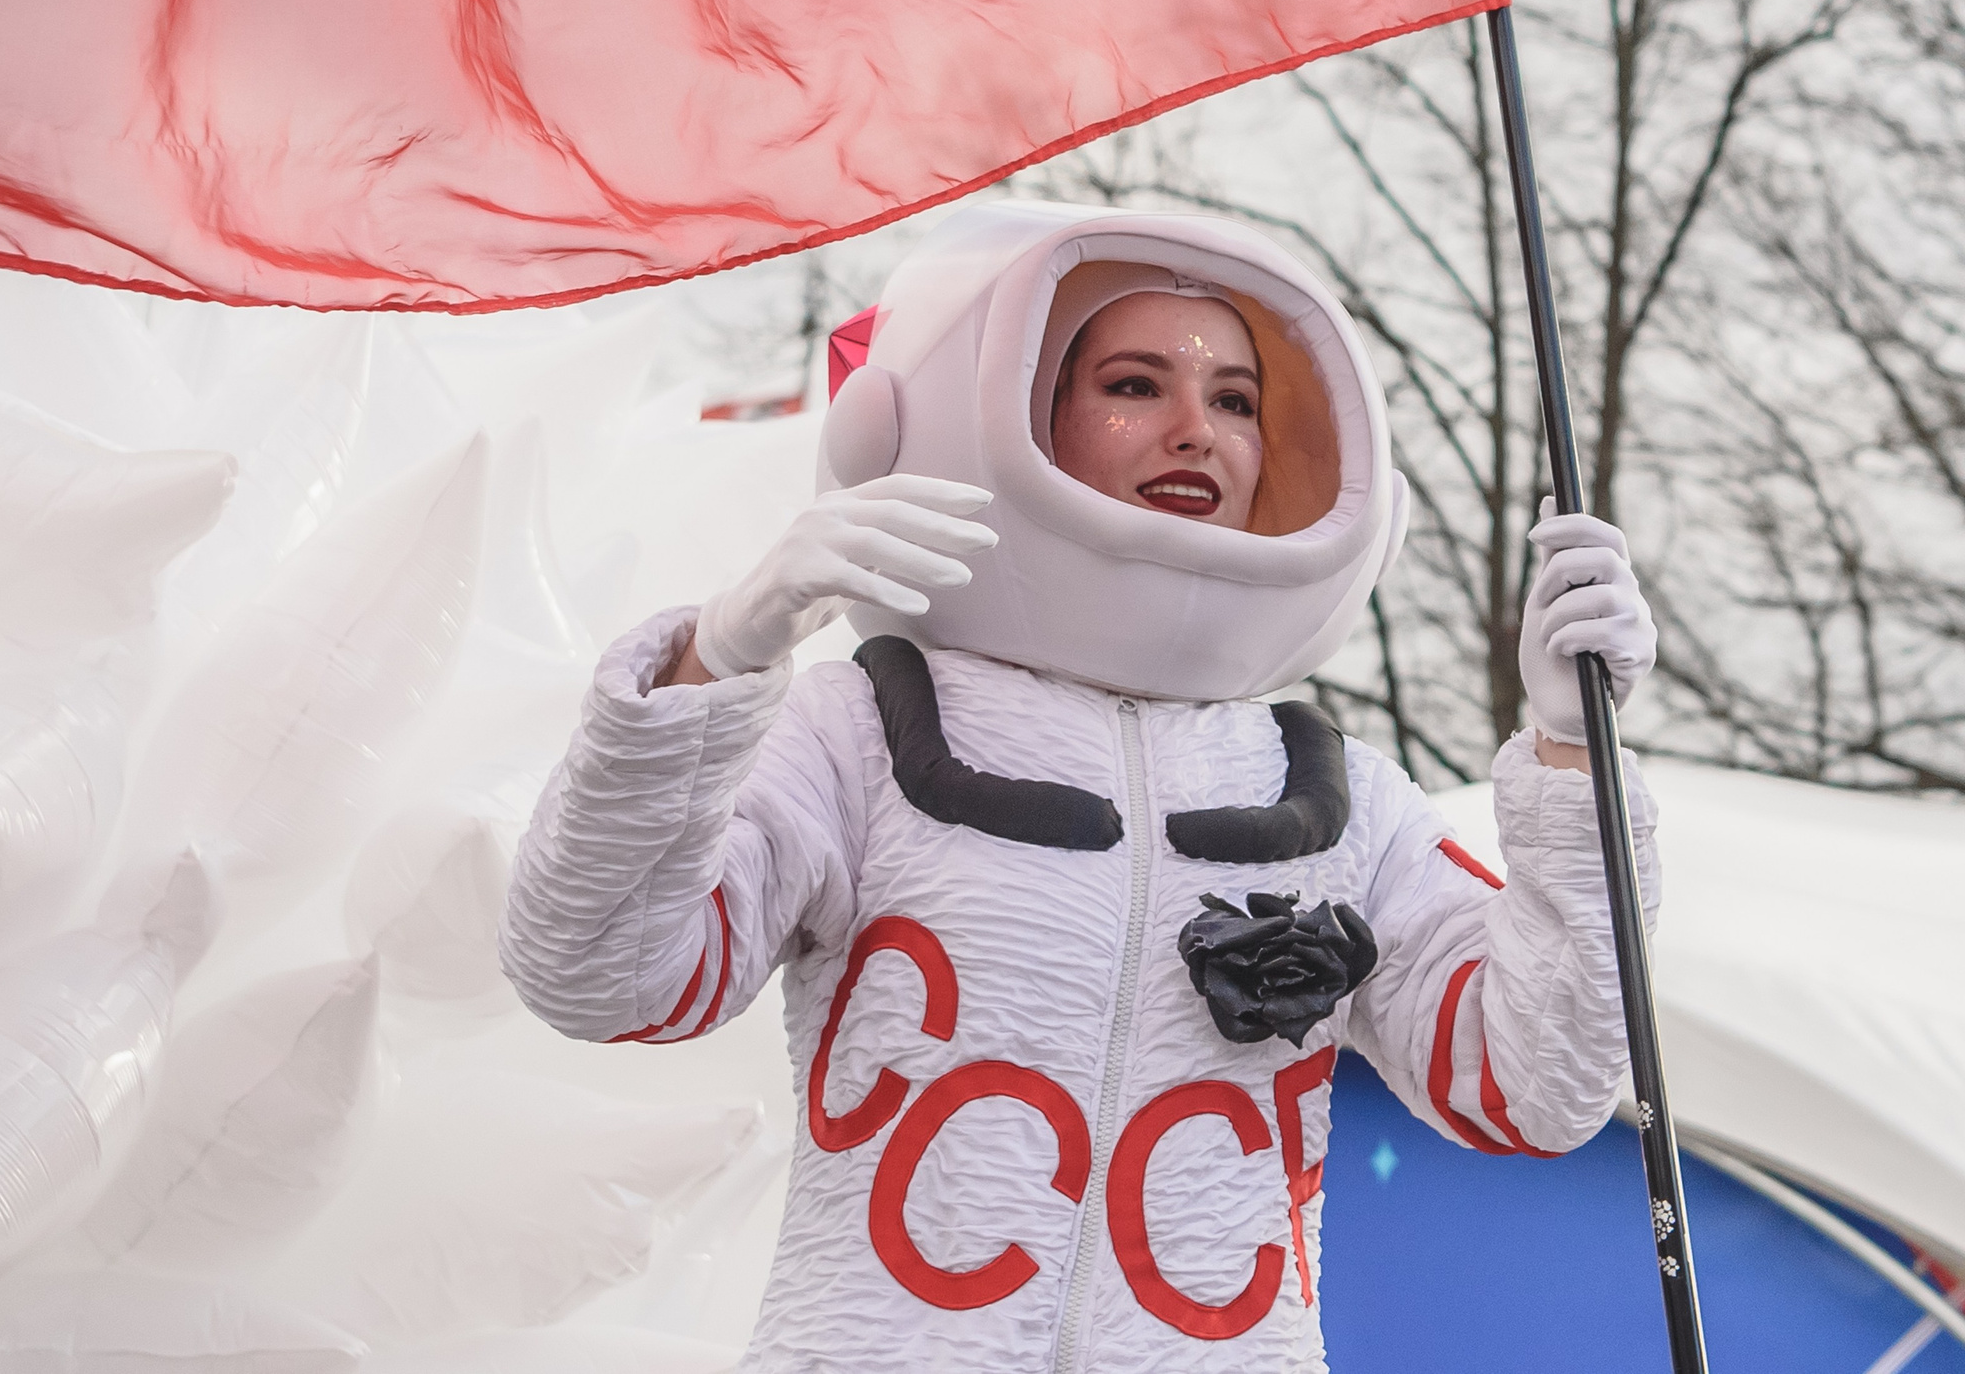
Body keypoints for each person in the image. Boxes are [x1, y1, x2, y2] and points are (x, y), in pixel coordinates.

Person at [498, 203, 1661, 1373]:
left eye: (1236, 400)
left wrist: (1575, 758)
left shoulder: (1335, 794)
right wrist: (716, 660)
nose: (1194, 430)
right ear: (1026, 416)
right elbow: (598, 970)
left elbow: (1534, 1080)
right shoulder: (856, 734)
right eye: (1134, 384)